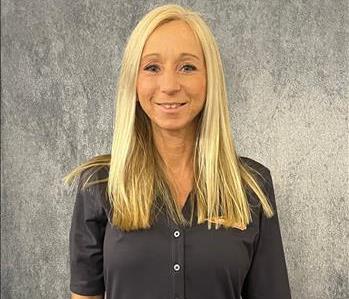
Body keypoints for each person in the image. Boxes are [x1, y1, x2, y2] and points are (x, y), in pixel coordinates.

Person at [64, 4, 292, 299]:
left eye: (187, 67)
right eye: (152, 67)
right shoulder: (98, 184)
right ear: (134, 80)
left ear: (209, 80)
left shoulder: (251, 185)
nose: (170, 85)